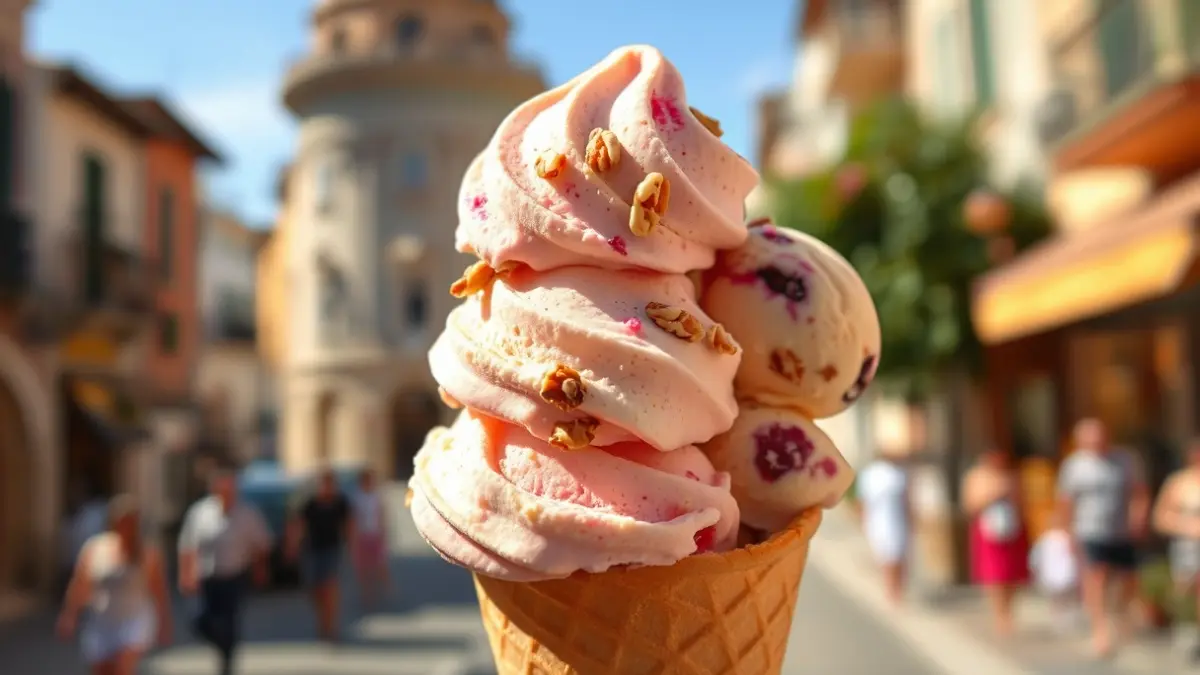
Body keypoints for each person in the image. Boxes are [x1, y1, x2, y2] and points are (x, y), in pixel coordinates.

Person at [1057, 418, 1150, 658]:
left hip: (1121, 530)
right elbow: (1066, 502)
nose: (1096, 442)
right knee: (1096, 577)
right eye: (1090, 438)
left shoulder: (1125, 459)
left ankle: (1118, 614)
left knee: (1129, 579)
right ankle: (1100, 630)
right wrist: (1067, 532)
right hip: (1089, 530)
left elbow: (1140, 491)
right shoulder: (1074, 465)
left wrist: (1138, 517)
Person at [57, 496, 172, 675]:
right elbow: (80, 583)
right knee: (102, 670)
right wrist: (70, 615)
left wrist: (164, 622)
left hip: (134, 620)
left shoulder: (148, 553)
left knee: (122, 668)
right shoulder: (95, 548)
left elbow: (158, 590)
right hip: (102, 621)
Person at [178, 465, 272, 675]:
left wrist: (260, 571)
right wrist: (186, 575)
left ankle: (226, 663)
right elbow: (187, 546)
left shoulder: (247, 514)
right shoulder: (200, 513)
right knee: (200, 621)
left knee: (229, 623)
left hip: (235, 577)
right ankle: (223, 649)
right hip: (208, 578)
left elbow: (261, 546)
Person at [963, 446, 1029, 637]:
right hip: (988, 530)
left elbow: (1022, 502)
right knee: (994, 574)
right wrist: (993, 495)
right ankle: (999, 614)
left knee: (1012, 574)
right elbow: (971, 505)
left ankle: (1009, 611)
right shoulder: (976, 477)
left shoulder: (1012, 476)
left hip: (1012, 528)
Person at [288, 467, 352, 642]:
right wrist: (292, 547)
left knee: (330, 588)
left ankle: (331, 626)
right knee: (314, 589)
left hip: (332, 549)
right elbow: (298, 526)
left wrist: (351, 548)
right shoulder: (309, 503)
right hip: (312, 550)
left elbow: (348, 525)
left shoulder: (340, 502)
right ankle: (322, 618)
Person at [1152, 436, 1200, 653]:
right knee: (1188, 589)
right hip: (1188, 548)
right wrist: (1188, 526)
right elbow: (1160, 518)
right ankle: (1189, 630)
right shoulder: (1179, 482)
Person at [856, 449, 912, 606]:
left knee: (898, 555)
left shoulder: (897, 475)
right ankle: (891, 590)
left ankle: (897, 590)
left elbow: (906, 500)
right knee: (886, 555)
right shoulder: (871, 474)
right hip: (879, 521)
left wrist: (910, 519)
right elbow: (862, 500)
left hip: (897, 519)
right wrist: (863, 519)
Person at [1029, 512, 1080, 635]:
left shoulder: (1067, 537)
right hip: (1054, 574)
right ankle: (1060, 618)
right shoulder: (1047, 538)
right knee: (1059, 598)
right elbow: (1036, 556)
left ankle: (1065, 617)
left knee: (1064, 598)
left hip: (1064, 573)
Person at [350, 468, 391, 609]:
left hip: (375, 535)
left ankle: (384, 590)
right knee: (364, 568)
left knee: (380, 565)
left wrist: (384, 533)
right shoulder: (357, 497)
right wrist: (353, 539)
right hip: (363, 535)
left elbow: (381, 515)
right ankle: (366, 594)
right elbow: (354, 519)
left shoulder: (376, 497)